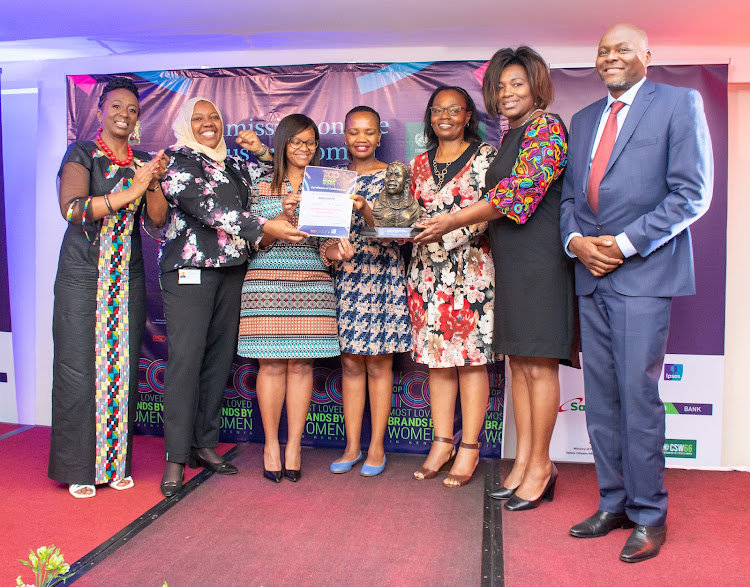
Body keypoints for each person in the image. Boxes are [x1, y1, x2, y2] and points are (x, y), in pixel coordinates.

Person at [560, 24, 713, 562]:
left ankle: (649, 514)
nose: (610, 57)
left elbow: (691, 194)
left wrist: (622, 245)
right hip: (590, 276)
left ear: (648, 55)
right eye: (602, 50)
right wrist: (577, 242)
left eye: (622, 48)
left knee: (637, 395)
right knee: (601, 400)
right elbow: (569, 200)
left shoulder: (677, 103)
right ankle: (614, 502)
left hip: (643, 274)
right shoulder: (582, 121)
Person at [416, 48, 577, 509]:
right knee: (521, 367)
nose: (508, 93)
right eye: (501, 86)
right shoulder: (512, 134)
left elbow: (519, 194)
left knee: (539, 365)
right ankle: (524, 463)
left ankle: (541, 467)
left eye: (517, 84)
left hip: (541, 262)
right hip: (511, 262)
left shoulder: (547, 127)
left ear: (537, 86)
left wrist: (450, 220)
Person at [159, 98, 306, 497]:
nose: (208, 124)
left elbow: (277, 178)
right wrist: (268, 225)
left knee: (218, 361)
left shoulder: (235, 164)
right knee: (186, 362)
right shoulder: (175, 159)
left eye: (214, 117)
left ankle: (204, 445)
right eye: (199, 118)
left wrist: (261, 152)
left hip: (233, 271)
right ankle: (175, 457)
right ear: (185, 125)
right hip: (190, 272)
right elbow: (209, 209)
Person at [49, 77, 168, 498]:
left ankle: (116, 462)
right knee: (79, 370)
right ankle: (81, 466)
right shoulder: (81, 153)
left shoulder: (141, 162)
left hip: (126, 280)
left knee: (121, 369)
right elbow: (73, 210)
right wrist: (129, 190)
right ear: (100, 111)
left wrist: (150, 181)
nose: (124, 114)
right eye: (116, 106)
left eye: (132, 109)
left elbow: (156, 220)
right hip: (83, 278)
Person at [237, 114, 354, 483]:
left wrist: (339, 252)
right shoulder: (258, 183)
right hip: (267, 282)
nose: (304, 148)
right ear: (282, 143)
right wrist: (278, 222)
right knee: (270, 365)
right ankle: (272, 444)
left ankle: (294, 446)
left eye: (310, 142)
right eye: (296, 141)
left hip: (312, 283)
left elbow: (325, 247)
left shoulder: (327, 185)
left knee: (302, 366)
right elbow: (252, 239)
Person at [408, 86, 496, 488]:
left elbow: (496, 209)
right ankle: (442, 443)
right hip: (425, 275)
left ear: (467, 116)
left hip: (471, 272)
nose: (445, 116)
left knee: (469, 361)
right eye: (437, 110)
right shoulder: (415, 165)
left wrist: (448, 233)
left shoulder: (486, 156)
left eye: (454, 109)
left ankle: (470, 448)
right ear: (429, 117)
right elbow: (407, 214)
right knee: (437, 362)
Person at [328, 106, 412, 477]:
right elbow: (323, 232)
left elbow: (400, 233)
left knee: (379, 362)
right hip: (346, 276)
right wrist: (331, 249)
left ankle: (376, 446)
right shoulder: (332, 179)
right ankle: (351, 445)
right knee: (349, 363)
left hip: (381, 275)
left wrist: (365, 212)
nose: (361, 138)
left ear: (380, 137)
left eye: (369, 131)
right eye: (353, 131)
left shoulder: (393, 176)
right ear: (344, 136)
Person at [371, 161, 421, 228]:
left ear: (406, 182)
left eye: (397, 175)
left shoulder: (414, 208)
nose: (392, 179)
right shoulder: (378, 206)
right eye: (389, 175)